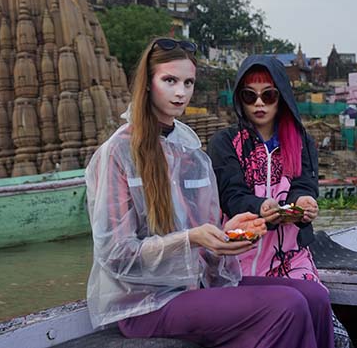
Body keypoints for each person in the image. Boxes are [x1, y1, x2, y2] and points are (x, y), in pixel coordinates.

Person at [85, 39, 333, 348]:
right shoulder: (117, 153)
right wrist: (192, 238)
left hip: (195, 287)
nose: (181, 92)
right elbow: (116, 255)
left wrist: (225, 236)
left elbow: (206, 245)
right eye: (169, 80)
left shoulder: (191, 155)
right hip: (145, 303)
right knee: (288, 304)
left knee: (313, 297)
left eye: (188, 82)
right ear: (147, 84)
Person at [208, 55, 347, 347]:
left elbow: (303, 185)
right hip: (240, 259)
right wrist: (260, 207)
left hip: (291, 256)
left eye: (268, 95)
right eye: (250, 95)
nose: (259, 103)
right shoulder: (225, 142)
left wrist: (305, 202)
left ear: (280, 97)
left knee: (318, 298)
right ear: (240, 98)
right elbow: (231, 195)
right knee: (285, 311)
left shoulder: (300, 140)